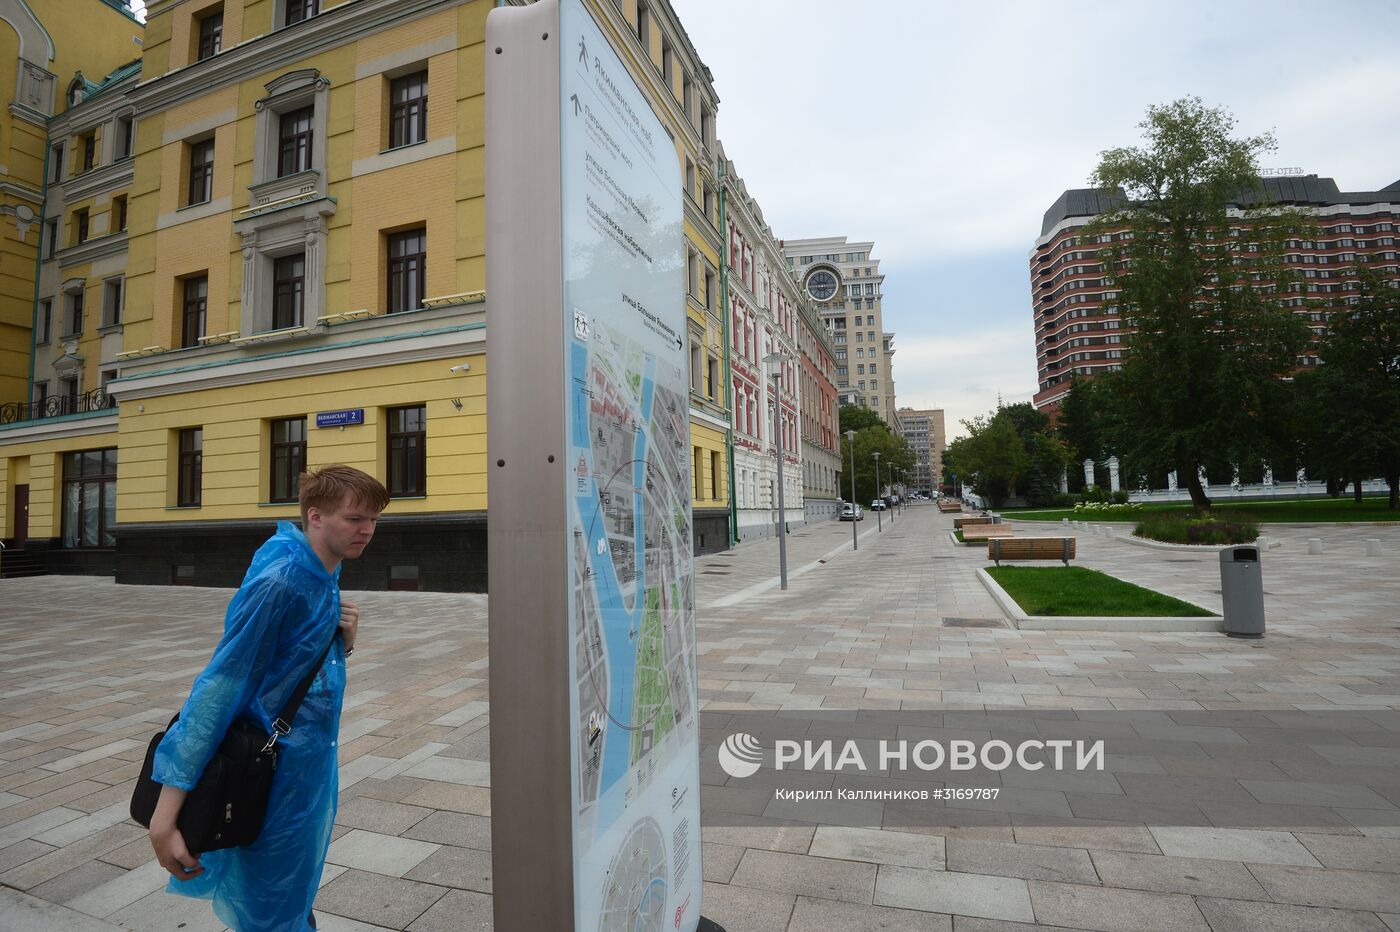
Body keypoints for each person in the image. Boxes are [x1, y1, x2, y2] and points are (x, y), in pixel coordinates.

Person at [147, 465, 389, 930]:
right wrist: (166, 813)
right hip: (274, 774)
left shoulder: (322, 571)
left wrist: (345, 641)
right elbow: (219, 688)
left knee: (289, 899)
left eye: (374, 520)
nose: (367, 531)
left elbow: (293, 672)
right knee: (270, 909)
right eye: (355, 518)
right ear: (315, 517)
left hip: (303, 771)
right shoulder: (282, 582)